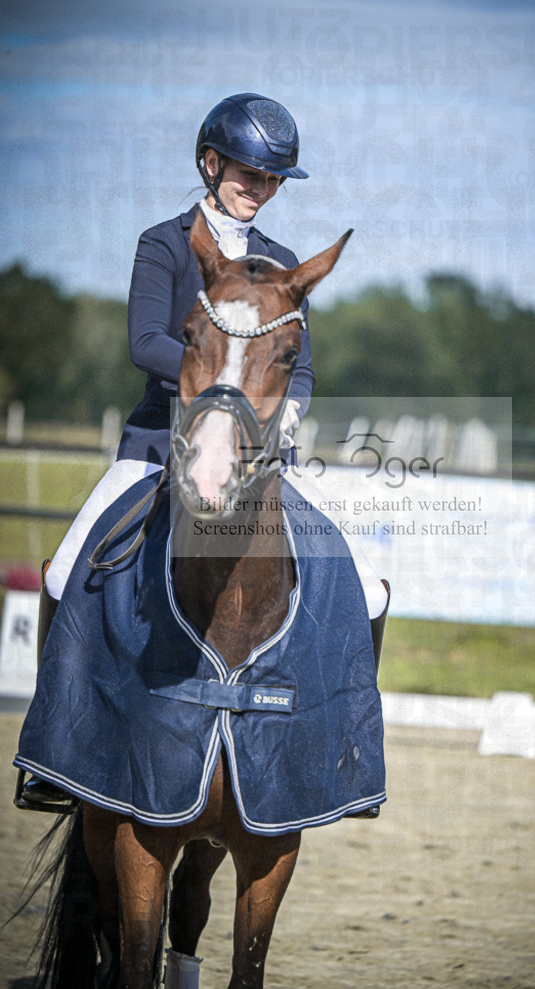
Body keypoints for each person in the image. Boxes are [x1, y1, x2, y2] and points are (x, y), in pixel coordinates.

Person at [19, 93, 389, 811]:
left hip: (254, 458)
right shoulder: (163, 243)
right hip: (160, 444)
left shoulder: (284, 266)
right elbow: (145, 341)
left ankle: (343, 745)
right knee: (65, 571)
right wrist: (220, 379)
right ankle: (57, 753)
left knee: (366, 586)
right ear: (210, 163)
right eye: (248, 174)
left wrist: (281, 417)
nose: (259, 189)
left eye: (272, 179)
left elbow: (300, 371)